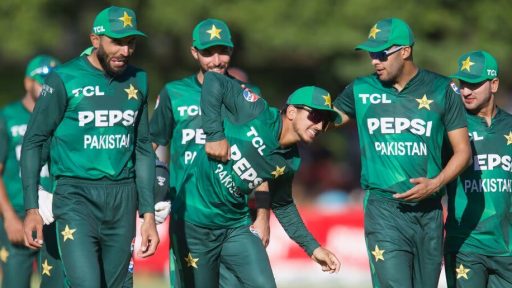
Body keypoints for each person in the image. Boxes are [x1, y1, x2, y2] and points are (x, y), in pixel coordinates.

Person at [20, 6, 159, 287]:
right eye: (117, 42)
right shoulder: (63, 78)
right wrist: (31, 208)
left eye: (131, 42)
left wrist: (148, 215)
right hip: (75, 197)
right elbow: (34, 141)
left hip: (122, 198)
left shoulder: (139, 79)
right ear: (95, 40)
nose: (125, 51)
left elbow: (143, 149)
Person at [332, 18, 471, 287]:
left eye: (382, 53)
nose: (375, 61)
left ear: (405, 51)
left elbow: (463, 151)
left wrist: (436, 184)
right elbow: (320, 122)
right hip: (383, 209)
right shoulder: (360, 89)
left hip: (429, 212)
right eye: (372, 54)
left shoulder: (443, 89)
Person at [170, 71, 341, 287]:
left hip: (235, 226)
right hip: (194, 220)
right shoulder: (256, 112)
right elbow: (214, 81)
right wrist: (214, 135)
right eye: (315, 116)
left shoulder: (291, 161)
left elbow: (284, 204)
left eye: (325, 122)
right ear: (290, 111)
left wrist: (313, 248)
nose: (319, 126)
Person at [149, 18, 264, 287]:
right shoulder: (174, 93)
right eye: (208, 52)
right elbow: (148, 147)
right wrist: (148, 197)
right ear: (194, 53)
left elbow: (262, 159)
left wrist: (263, 216)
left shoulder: (249, 95)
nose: (216, 59)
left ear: (231, 52)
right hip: (188, 215)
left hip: (235, 216)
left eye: (222, 51)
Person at [444, 50, 512, 287]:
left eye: (474, 84)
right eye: (463, 83)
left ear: (494, 84)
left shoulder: (510, 126)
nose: (466, 91)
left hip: (507, 248)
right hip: (465, 246)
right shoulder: (452, 127)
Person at [0, 55, 63, 288]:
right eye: (42, 82)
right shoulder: (7, 117)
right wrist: (9, 218)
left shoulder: (62, 116)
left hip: (54, 215)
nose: (48, 88)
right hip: (18, 215)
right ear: (28, 83)